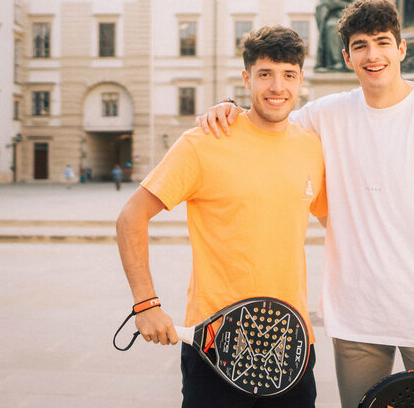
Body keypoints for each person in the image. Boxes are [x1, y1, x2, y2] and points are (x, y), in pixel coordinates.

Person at [196, 0, 414, 408]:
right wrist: (229, 108)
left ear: (401, 49)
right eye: (360, 46)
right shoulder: (324, 115)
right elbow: (268, 118)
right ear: (346, 57)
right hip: (356, 320)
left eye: (382, 43)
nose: (373, 55)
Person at [116, 26, 327, 408]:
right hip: (217, 344)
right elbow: (131, 216)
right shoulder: (204, 142)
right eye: (265, 74)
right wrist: (145, 305)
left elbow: (345, 224)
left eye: (288, 75)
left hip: (291, 344)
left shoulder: (311, 147)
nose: (277, 86)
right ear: (247, 79)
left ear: (301, 80)